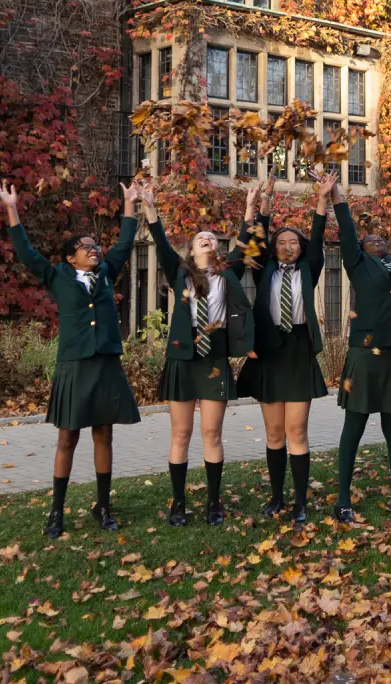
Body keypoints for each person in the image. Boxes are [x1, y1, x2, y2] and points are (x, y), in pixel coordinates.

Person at [0, 179, 142, 538]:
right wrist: (11, 208)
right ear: (70, 256)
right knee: (67, 438)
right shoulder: (57, 275)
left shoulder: (107, 273)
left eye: (95, 246)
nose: (94, 250)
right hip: (74, 364)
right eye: (85, 247)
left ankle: (103, 508)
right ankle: (56, 513)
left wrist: (129, 206)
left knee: (103, 433)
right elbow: (27, 253)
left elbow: (123, 244)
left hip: (105, 362)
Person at [140, 181, 255, 527]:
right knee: (181, 434)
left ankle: (213, 502)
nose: (207, 239)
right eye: (200, 238)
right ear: (191, 250)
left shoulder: (227, 273)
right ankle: (178, 503)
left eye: (211, 237)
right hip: (183, 357)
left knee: (212, 434)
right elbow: (160, 243)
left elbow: (245, 242)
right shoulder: (180, 273)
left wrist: (249, 209)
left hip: (214, 357)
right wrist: (150, 209)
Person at [236, 172, 337, 524]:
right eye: (282, 242)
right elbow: (256, 240)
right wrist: (261, 205)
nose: (288, 246)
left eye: (294, 242)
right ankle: (276, 497)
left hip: (297, 350)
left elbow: (320, 234)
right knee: (274, 433)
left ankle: (300, 503)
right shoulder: (263, 269)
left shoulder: (310, 268)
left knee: (297, 432)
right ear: (274, 248)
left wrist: (323, 200)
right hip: (269, 352)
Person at [330, 174, 391, 522]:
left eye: (380, 237)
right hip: (365, 354)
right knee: (353, 428)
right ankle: (342, 500)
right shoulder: (356, 263)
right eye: (370, 238)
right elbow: (347, 229)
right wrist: (336, 194)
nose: (376, 238)